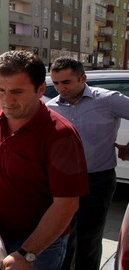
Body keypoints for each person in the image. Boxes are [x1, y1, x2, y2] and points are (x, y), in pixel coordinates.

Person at [0, 50, 89, 270]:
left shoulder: (60, 135)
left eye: (17, 92)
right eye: (1, 90)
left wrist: (27, 254)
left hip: (37, 247)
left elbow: (67, 204)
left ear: (40, 90)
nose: (7, 101)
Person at [46, 57, 129, 270]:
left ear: (82, 78)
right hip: (63, 182)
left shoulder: (108, 100)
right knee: (62, 234)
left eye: (66, 82)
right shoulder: (50, 108)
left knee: (89, 237)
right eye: (56, 83)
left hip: (97, 180)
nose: (60, 88)